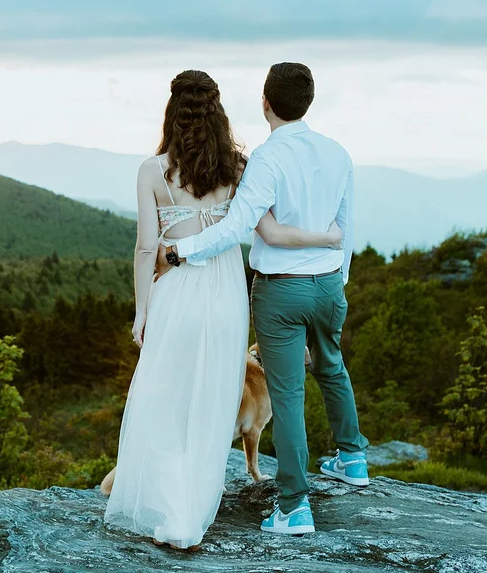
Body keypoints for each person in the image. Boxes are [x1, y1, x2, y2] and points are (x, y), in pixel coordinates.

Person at [103, 69, 341, 550]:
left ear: (172, 112)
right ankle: (193, 507)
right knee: (213, 396)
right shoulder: (237, 166)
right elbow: (266, 232)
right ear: (218, 113)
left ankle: (172, 507)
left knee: (168, 395)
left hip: (177, 291)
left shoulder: (153, 171)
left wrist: (140, 312)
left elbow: (146, 248)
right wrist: (329, 240)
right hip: (227, 291)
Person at [164, 62, 370, 536]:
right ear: (308, 101)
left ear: (265, 102)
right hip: (328, 284)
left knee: (288, 395)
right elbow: (346, 226)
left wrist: (182, 252)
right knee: (332, 365)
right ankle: (353, 459)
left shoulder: (267, 158)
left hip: (281, 291)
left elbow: (237, 227)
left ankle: (294, 507)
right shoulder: (339, 153)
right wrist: (338, 279)